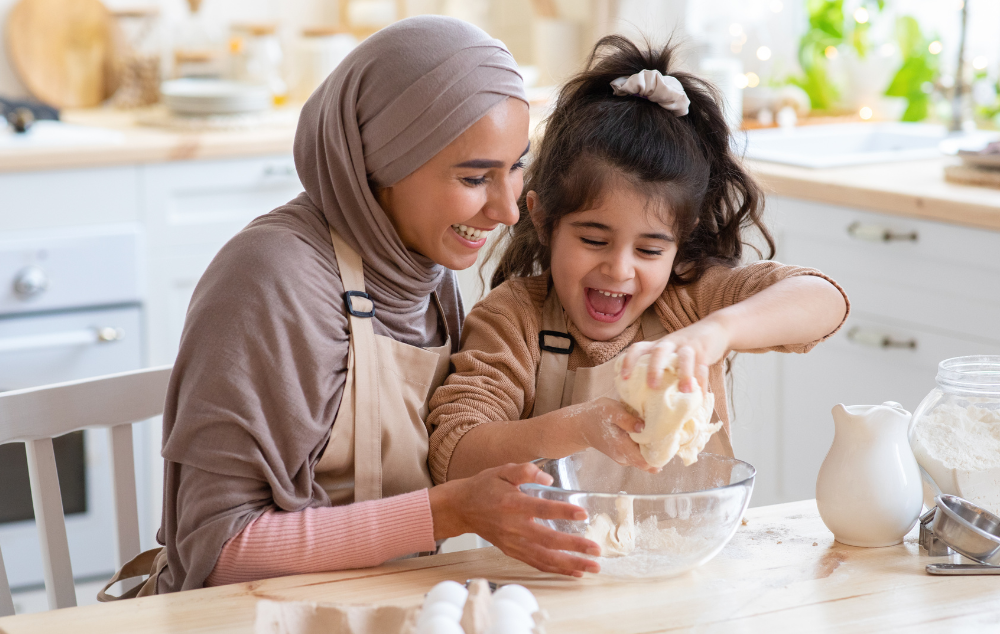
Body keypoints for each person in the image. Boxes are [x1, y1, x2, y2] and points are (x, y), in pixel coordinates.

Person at [105, 17, 608, 598]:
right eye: (475, 177)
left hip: (377, 615)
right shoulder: (272, 280)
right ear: (380, 166)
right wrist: (448, 512)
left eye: (516, 166)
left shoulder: (425, 268)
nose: (507, 211)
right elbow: (215, 553)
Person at [427, 37, 850, 487]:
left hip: (686, 551)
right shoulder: (515, 320)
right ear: (544, 219)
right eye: (594, 239)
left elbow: (824, 301)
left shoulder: (687, 299)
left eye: (650, 250)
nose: (620, 269)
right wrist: (579, 428)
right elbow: (454, 455)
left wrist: (715, 332)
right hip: (542, 557)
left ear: (680, 244)